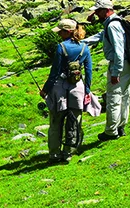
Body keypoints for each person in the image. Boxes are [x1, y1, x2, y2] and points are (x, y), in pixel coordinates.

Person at [40, 19, 93, 164]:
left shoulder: (61, 47)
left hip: (59, 88)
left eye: (61, 32)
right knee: (75, 121)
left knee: (56, 122)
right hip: (77, 88)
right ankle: (68, 153)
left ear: (68, 32)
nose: (59, 35)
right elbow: (88, 71)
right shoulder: (84, 47)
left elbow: (54, 72)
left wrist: (45, 90)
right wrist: (87, 90)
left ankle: (54, 155)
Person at [83, 0, 130, 141]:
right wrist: (80, 42)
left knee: (113, 97)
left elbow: (119, 50)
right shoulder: (114, 22)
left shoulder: (112, 26)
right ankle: (120, 126)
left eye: (98, 11)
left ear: (106, 10)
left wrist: (116, 72)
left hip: (119, 64)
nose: (96, 14)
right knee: (123, 95)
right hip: (127, 63)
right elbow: (100, 36)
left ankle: (111, 131)